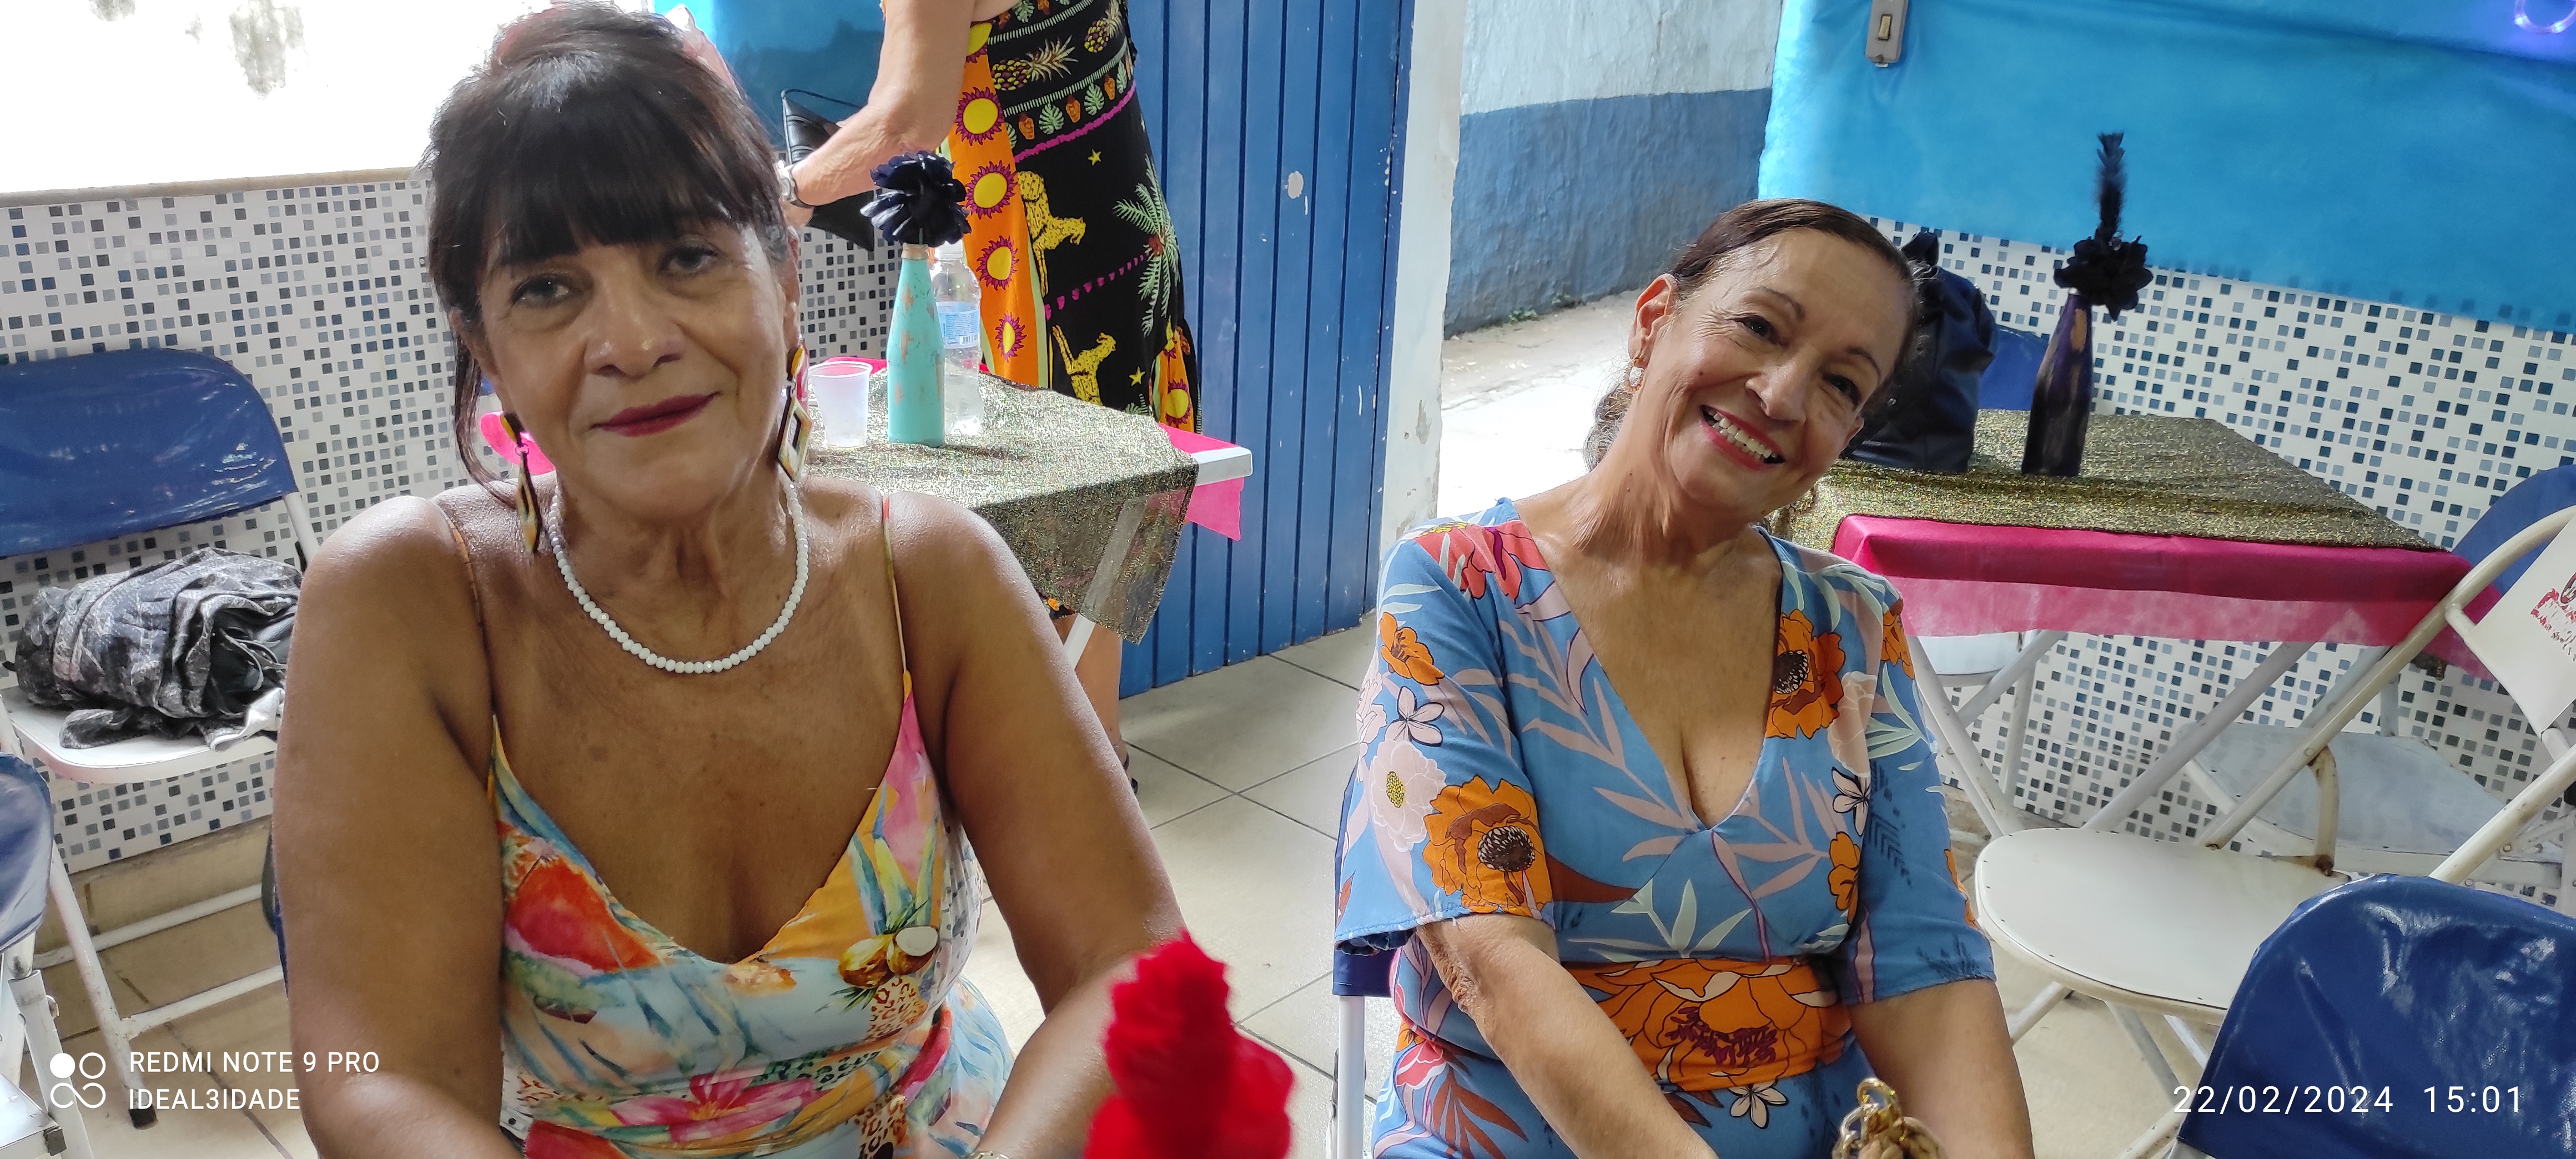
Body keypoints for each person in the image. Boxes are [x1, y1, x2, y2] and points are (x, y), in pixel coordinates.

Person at [273, 8, 1180, 1157]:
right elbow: (382, 1083)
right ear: (485, 346)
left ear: (784, 278)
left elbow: (1130, 961)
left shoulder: (927, 573)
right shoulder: (413, 609)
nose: (632, 340)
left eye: (687, 258)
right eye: (549, 288)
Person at [1332, 200, 2035, 1158]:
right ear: (1653, 321)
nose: (1783, 395)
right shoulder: (1458, 586)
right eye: (1760, 327)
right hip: (1509, 1128)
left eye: (1841, 383)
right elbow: (1490, 958)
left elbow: (1926, 968)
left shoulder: (1853, 624)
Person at [778, 0, 1201, 767]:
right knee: (1091, 537)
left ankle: (1072, 782)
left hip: (1040, 270)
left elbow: (908, 121)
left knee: (1056, 544)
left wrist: (785, 194)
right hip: (1114, 226)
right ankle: (1098, 767)